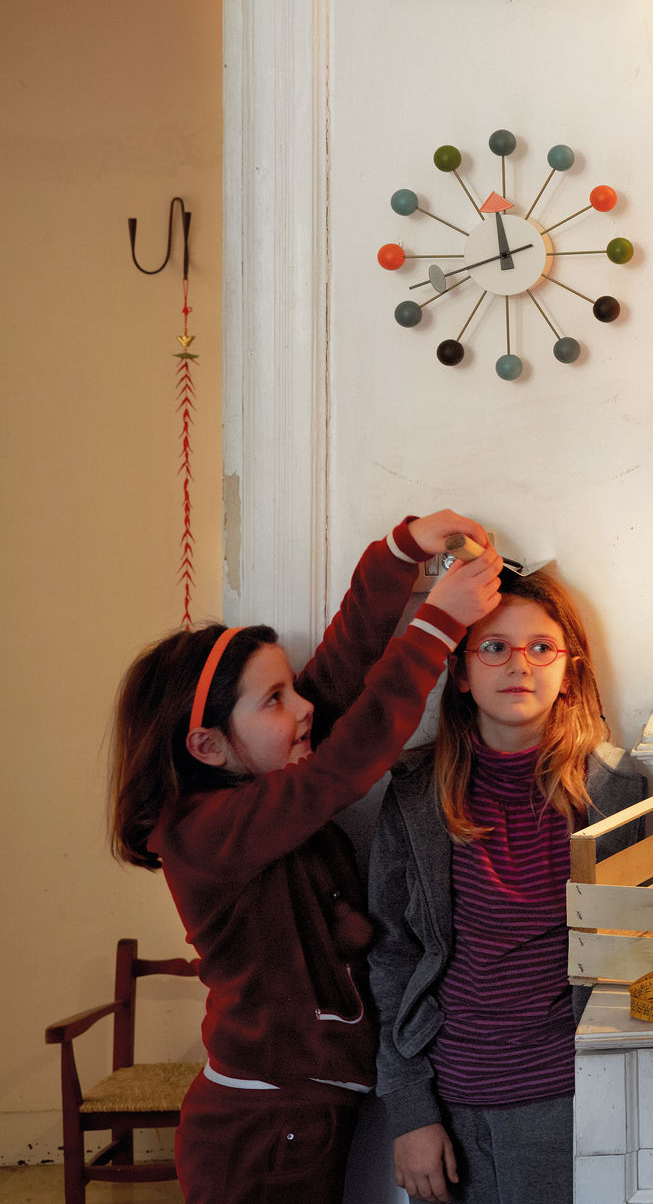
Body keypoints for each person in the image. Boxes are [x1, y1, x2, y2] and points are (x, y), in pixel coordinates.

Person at [110, 511, 505, 1204]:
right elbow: (342, 767)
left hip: (290, 1112)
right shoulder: (208, 831)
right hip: (260, 1128)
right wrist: (438, 624)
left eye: (291, 686)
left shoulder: (258, 783)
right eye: (275, 699)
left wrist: (399, 553)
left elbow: (343, 669)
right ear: (207, 746)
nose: (303, 708)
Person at [368, 568, 648, 1204]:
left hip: (571, 1098)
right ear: (462, 672)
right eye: (494, 646)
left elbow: (637, 958)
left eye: (541, 647)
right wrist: (409, 1111)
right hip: (449, 1108)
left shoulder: (613, 794)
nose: (519, 664)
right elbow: (391, 958)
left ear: (568, 671)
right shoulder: (415, 797)